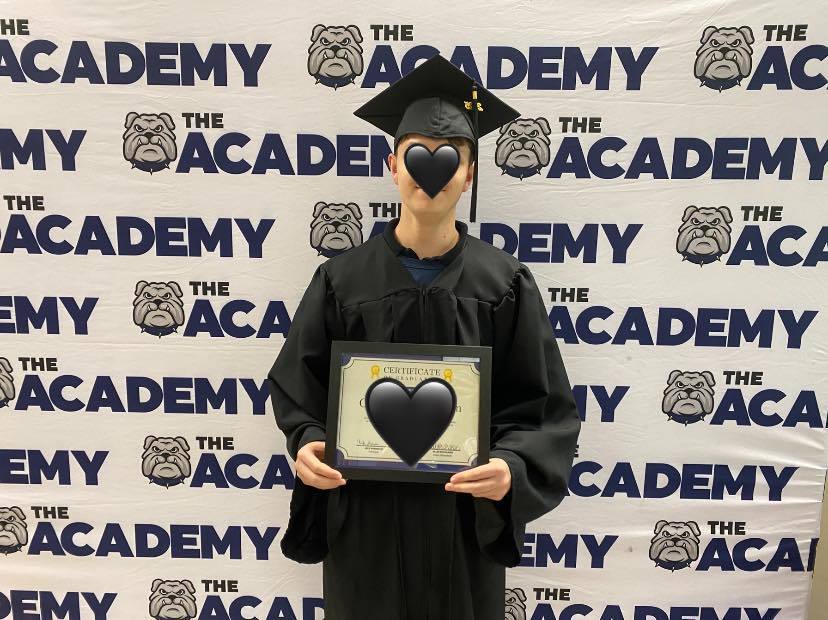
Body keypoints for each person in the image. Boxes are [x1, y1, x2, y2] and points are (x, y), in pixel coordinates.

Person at [267, 54, 581, 620]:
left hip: (460, 519)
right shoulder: (342, 279)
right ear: (392, 165)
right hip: (362, 518)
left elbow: (540, 404)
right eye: (414, 155)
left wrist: (511, 465)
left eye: (448, 158)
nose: (427, 171)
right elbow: (300, 388)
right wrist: (308, 441)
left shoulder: (503, 284)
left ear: (468, 173)